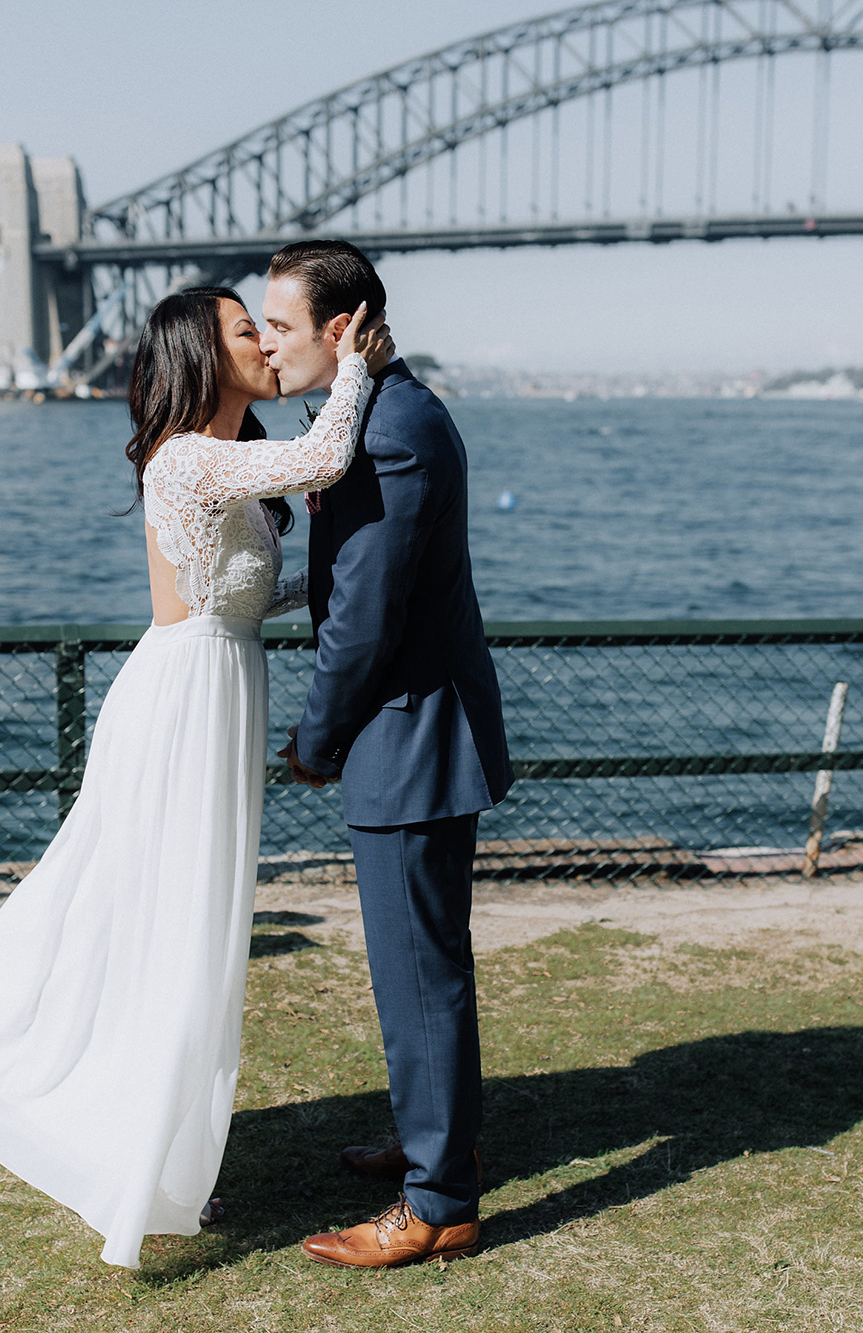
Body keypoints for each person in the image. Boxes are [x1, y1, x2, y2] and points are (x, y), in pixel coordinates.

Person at [0, 287, 396, 1270]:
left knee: (189, 925)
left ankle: (147, 1148)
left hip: (218, 682)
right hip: (183, 700)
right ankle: (84, 1118)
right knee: (163, 922)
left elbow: (244, 596)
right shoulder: (189, 456)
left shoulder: (224, 468)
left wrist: (336, 588)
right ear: (202, 354)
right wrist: (356, 358)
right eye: (247, 329)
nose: (264, 340)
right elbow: (324, 456)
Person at [266, 240, 514, 1269]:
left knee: (417, 972)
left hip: (406, 735)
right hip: (411, 727)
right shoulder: (377, 414)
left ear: (340, 327)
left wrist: (315, 739)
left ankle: (438, 1202)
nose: (266, 343)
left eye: (278, 325)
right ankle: (429, 1148)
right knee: (418, 963)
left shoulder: (393, 431)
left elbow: (361, 618)